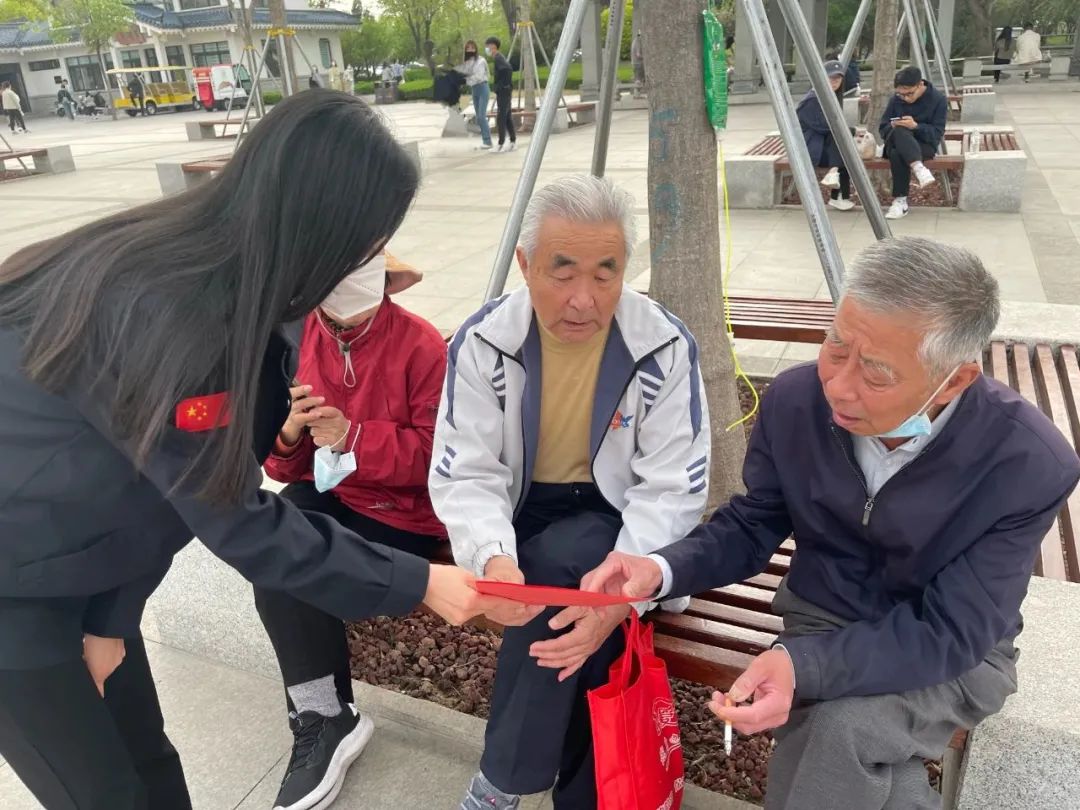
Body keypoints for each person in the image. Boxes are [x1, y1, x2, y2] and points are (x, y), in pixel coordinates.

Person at [0, 90, 515, 810]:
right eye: (366, 241)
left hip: (85, 553)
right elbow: (233, 513)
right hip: (15, 577)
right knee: (100, 792)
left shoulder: (255, 296)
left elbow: (168, 489)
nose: (370, 260)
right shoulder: (171, 310)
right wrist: (422, 583)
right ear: (319, 227)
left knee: (148, 761)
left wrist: (110, 618)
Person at [582, 237, 1080, 810]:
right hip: (824, 612)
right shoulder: (795, 402)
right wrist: (660, 567)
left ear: (956, 380)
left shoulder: (1026, 461)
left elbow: (954, 630)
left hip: (954, 647)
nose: (838, 386)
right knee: (844, 744)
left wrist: (801, 665)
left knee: (840, 728)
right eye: (836, 347)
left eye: (876, 373)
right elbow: (754, 523)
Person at [431, 174, 712, 810]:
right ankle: (585, 796)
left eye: (605, 274)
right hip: (520, 511)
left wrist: (626, 587)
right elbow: (468, 471)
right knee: (567, 592)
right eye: (563, 272)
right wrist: (493, 559)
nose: (584, 299)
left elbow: (671, 488)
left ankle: (502, 781)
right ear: (525, 264)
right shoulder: (484, 341)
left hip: (618, 515)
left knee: (566, 564)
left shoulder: (662, 345)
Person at [257, 249, 449, 810]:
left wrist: (354, 438)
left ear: (386, 286)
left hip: (403, 510)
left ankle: (323, 715)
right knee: (274, 541)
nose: (342, 315)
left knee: (307, 559)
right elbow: (282, 468)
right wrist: (289, 434)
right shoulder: (297, 339)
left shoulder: (422, 345)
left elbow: (440, 458)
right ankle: (322, 713)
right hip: (331, 492)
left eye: (357, 306)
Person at [879, 66, 946, 220]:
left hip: (924, 145)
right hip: (895, 141)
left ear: (920, 84)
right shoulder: (896, 100)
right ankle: (918, 168)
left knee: (898, 153)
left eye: (909, 93)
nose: (905, 98)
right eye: (901, 94)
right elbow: (882, 128)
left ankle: (900, 201)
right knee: (899, 131)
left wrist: (916, 126)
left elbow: (937, 132)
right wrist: (893, 125)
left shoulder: (938, 99)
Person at [797, 60, 855, 212]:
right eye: (831, 78)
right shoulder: (811, 100)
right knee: (843, 140)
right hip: (811, 149)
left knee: (845, 149)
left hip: (825, 147)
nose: (835, 82)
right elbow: (823, 127)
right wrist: (848, 130)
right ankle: (837, 189)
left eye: (838, 78)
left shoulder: (830, 97)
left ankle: (837, 188)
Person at [456, 40, 493, 150]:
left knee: (481, 116)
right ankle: (485, 140)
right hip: (474, 89)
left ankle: (488, 141)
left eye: (472, 48)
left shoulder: (481, 60)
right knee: (478, 117)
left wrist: (465, 80)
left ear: (476, 49)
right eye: (468, 48)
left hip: (483, 88)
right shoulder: (467, 63)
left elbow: (479, 76)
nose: (470, 50)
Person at [485, 36, 516, 153]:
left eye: (488, 46)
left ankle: (500, 144)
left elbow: (508, 69)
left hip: (504, 91)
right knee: (507, 117)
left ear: (493, 46)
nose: (487, 49)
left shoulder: (498, 58)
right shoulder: (499, 58)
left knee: (501, 117)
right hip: (504, 91)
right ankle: (512, 142)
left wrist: (503, 85)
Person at [631, 31, 645, 98]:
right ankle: (637, 95)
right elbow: (638, 54)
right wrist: (646, 58)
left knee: (638, 78)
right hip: (638, 63)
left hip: (635, 63)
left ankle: (637, 94)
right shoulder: (638, 41)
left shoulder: (635, 40)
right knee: (638, 80)